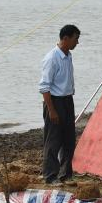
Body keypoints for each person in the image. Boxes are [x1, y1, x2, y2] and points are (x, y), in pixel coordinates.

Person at [39, 24, 80, 183]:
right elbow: (44, 87)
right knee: (53, 140)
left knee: (69, 139)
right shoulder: (51, 58)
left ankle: (65, 174)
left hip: (67, 100)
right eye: (75, 39)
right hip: (54, 101)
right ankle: (50, 176)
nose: (77, 42)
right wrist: (52, 110)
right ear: (66, 38)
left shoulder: (68, 55)